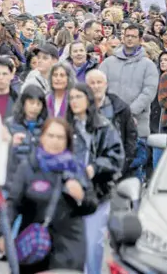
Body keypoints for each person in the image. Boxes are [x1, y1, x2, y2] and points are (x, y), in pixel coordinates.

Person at [0, 118, 97, 274]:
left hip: (69, 250)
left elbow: (91, 205)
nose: (55, 141)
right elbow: (12, 203)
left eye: (60, 137)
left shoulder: (76, 168)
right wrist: (3, 233)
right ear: (42, 137)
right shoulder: (29, 166)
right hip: (34, 247)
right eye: (50, 136)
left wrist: (80, 198)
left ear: (67, 141)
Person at [66, 83, 125, 274]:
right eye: (71, 98)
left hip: (96, 193)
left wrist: (95, 167)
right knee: (71, 246)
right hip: (68, 193)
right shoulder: (65, 126)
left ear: (88, 100)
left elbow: (116, 157)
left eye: (78, 97)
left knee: (92, 244)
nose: (74, 102)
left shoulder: (103, 126)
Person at [99, 24, 158, 174]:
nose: (130, 39)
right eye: (127, 36)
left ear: (140, 39)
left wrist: (128, 114)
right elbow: (98, 88)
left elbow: (148, 92)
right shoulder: (108, 63)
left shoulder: (148, 65)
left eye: (133, 36)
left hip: (137, 126)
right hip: (110, 125)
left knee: (134, 173)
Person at [86, 69, 139, 179]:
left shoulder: (120, 108)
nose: (96, 86)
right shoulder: (79, 108)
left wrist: (123, 165)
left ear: (106, 85)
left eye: (99, 82)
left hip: (114, 169)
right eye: (92, 83)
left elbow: (131, 139)